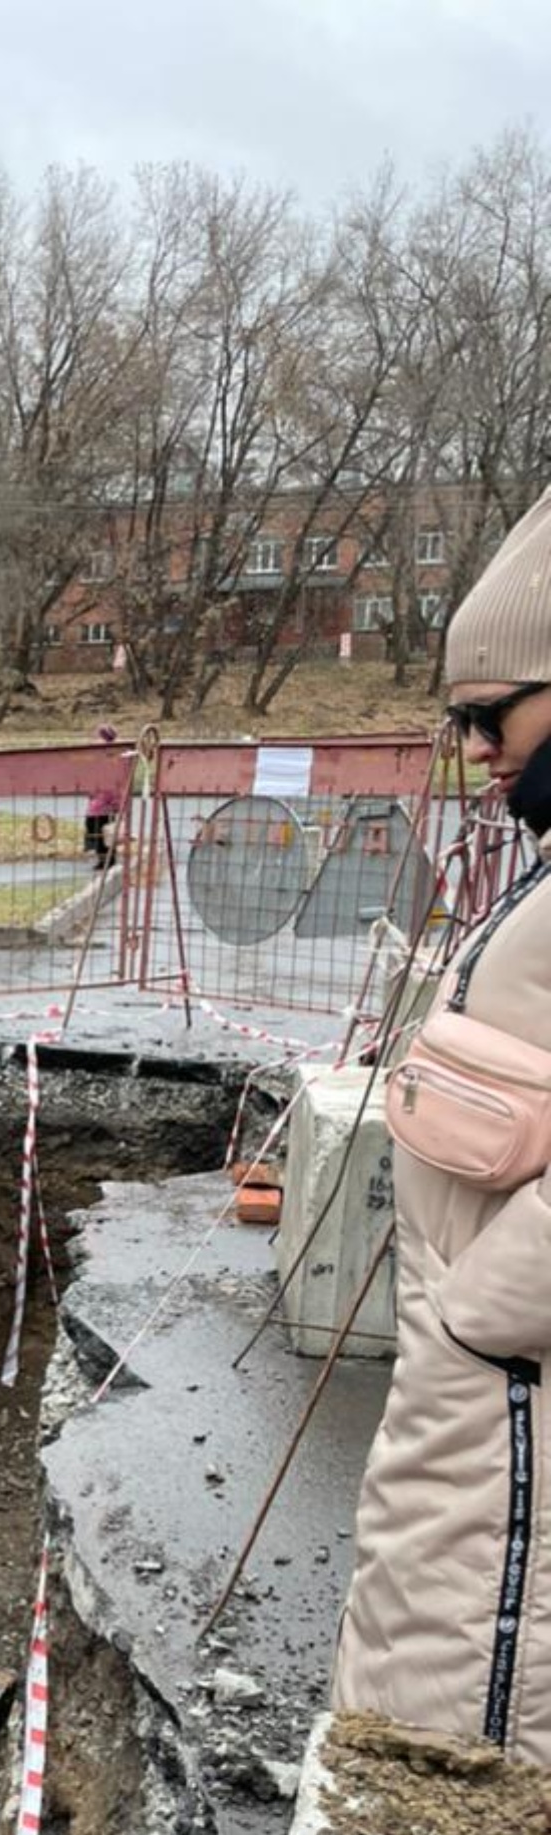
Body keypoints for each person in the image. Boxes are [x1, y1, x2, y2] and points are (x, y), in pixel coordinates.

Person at [332, 483, 551, 1767]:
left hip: (508, 1405)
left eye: (492, 713)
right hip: (474, 1389)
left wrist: (483, 1317)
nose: (474, 745)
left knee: (457, 1767)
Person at [84, 724, 122, 868]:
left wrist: (114, 802)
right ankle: (103, 856)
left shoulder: (109, 755)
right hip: (100, 798)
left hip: (105, 800)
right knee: (98, 827)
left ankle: (106, 858)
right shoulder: (101, 754)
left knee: (101, 829)